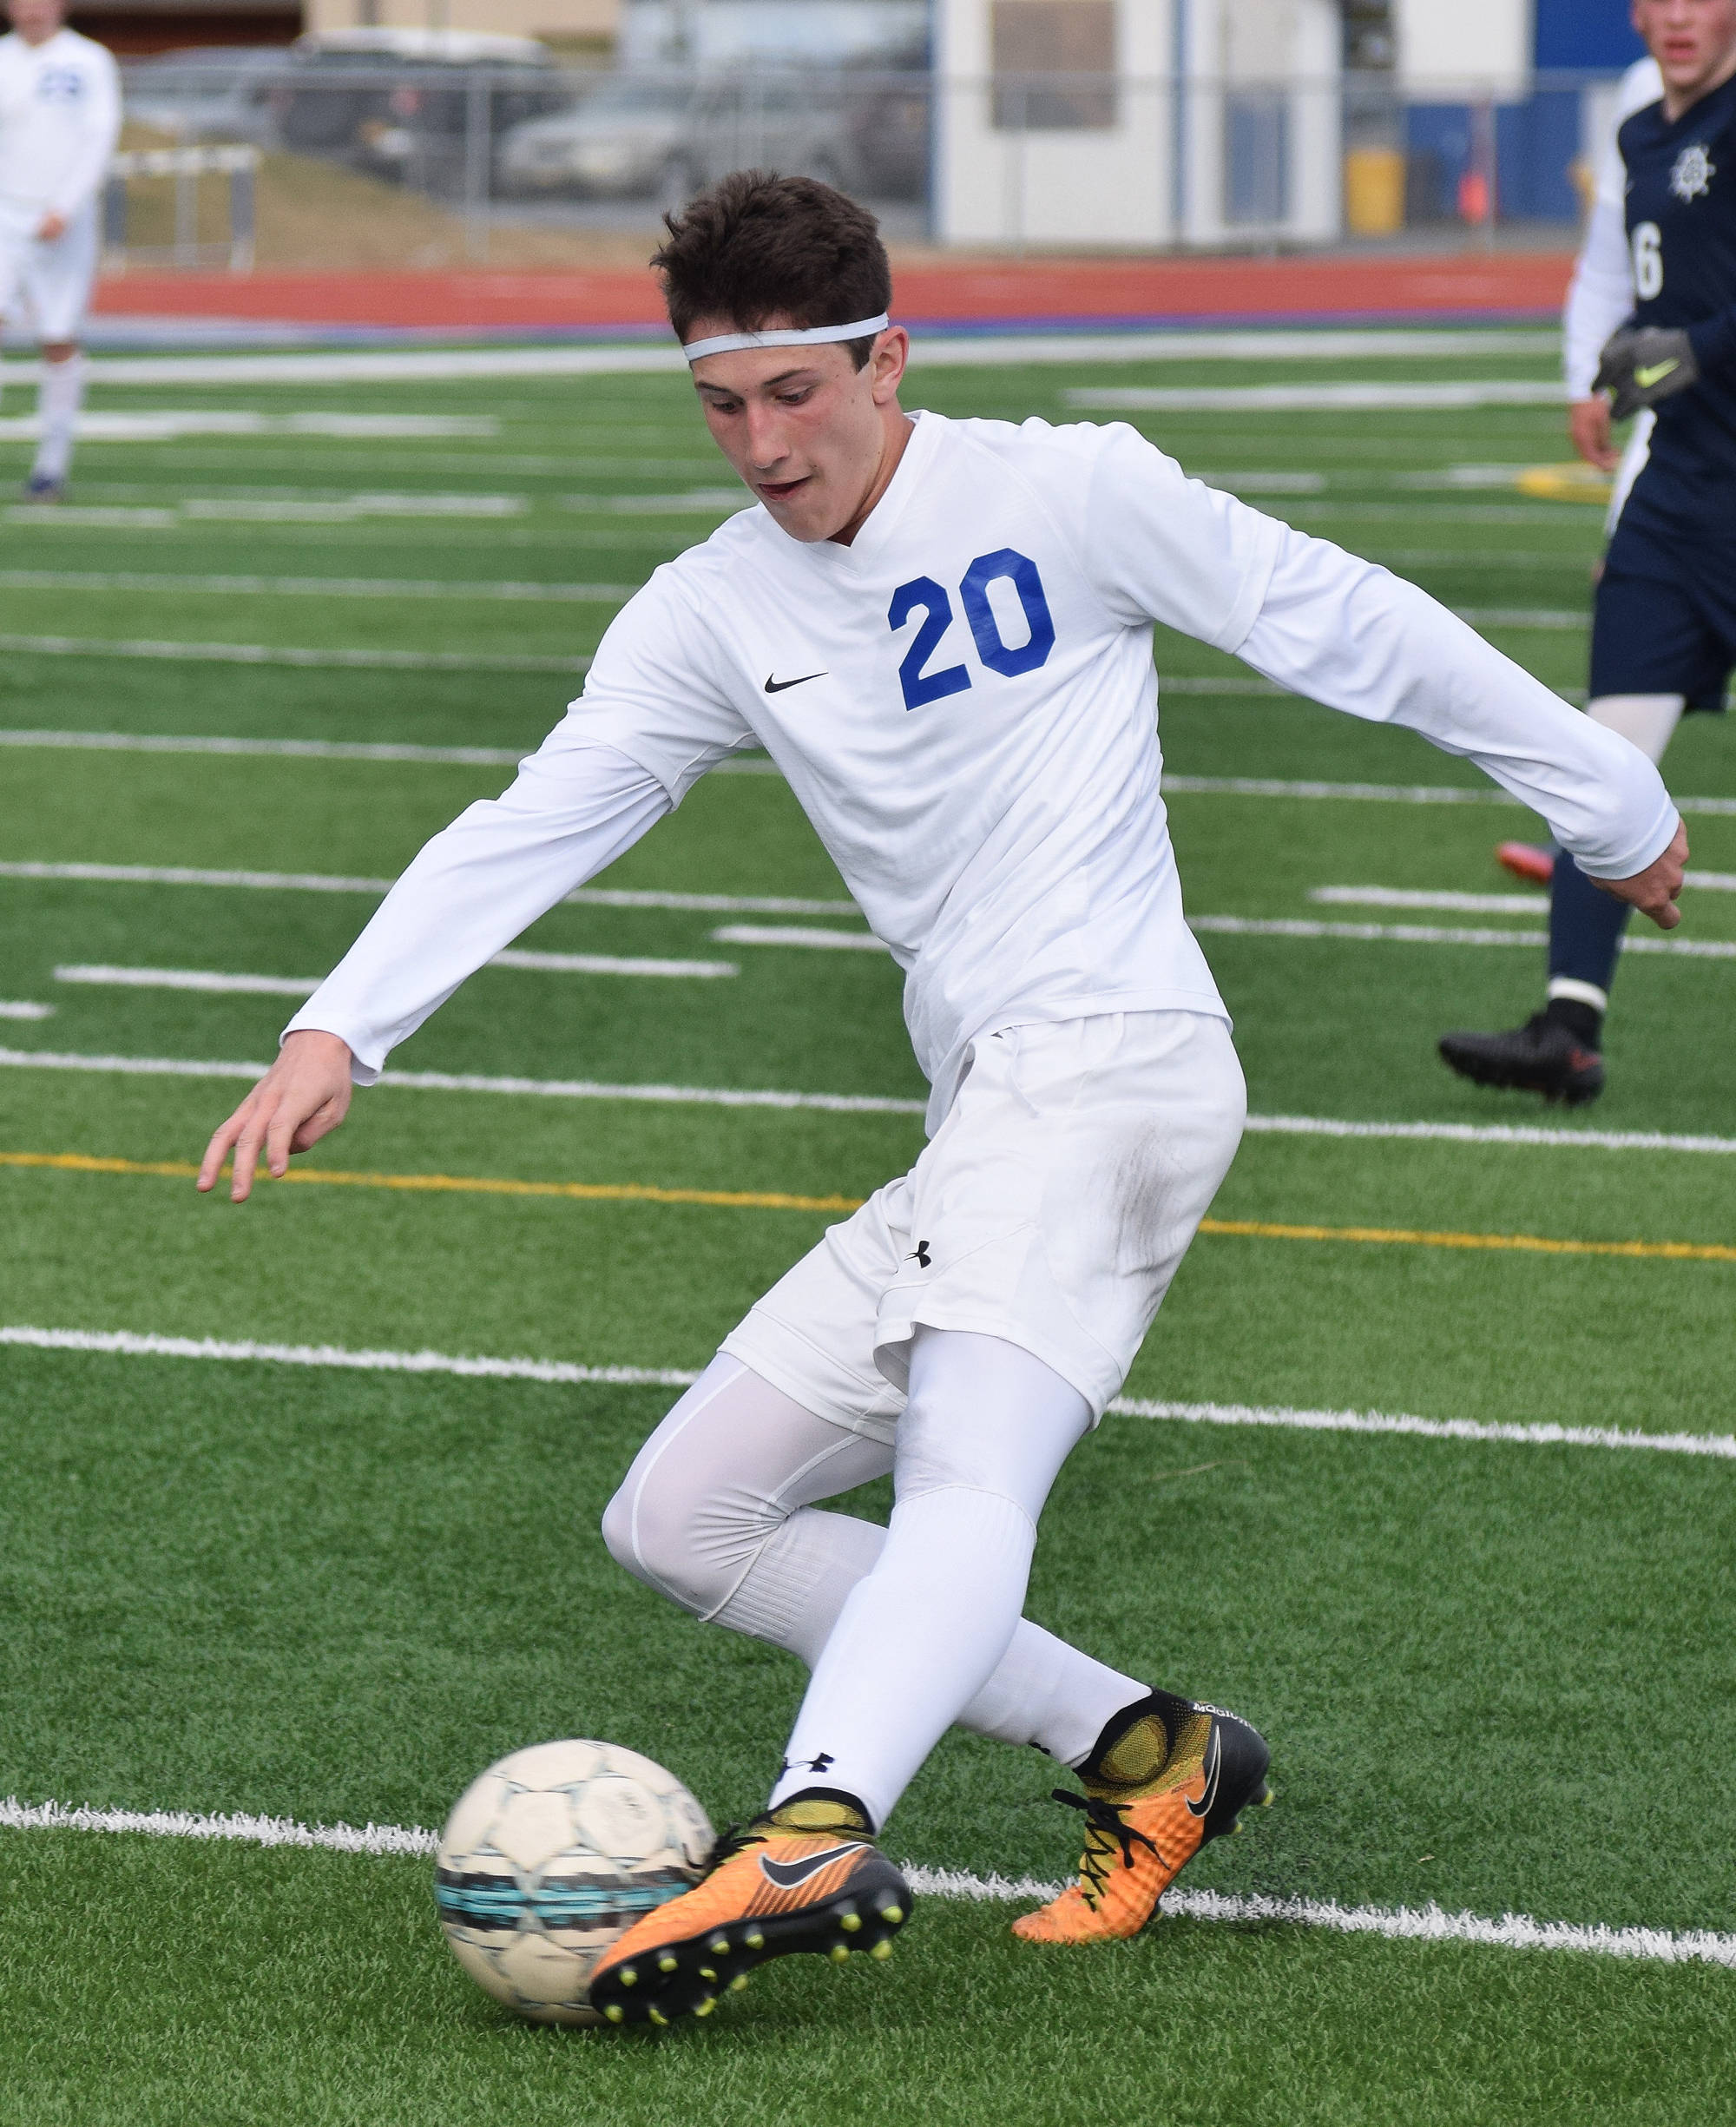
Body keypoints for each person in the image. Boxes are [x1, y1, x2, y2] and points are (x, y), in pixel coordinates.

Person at [196, 174, 1686, 2025]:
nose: (760, 444)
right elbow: (542, 812)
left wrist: (1610, 805)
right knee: (686, 1516)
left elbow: (1346, 620)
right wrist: (341, 1024)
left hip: (1119, 1054)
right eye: (719, 405)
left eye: (796, 395)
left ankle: (816, 1823)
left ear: (887, 356)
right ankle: (1151, 1755)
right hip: (989, 1105)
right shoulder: (710, 609)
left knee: (962, 1468)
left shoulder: (1069, 490)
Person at [1441, 0, 1736, 1105]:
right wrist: (1614, 366)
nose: (1675, 16)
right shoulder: (1637, 128)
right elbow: (1633, 283)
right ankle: (1567, 1026)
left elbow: (1696, 334)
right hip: (1675, 497)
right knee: (1600, 759)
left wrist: (1685, 354)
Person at [0, 0, 120, 502]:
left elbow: (100, 135)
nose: (33, 10)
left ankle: (51, 465)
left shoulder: (89, 60)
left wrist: (65, 205)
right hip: (5, 212)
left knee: (57, 335)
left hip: (62, 221)